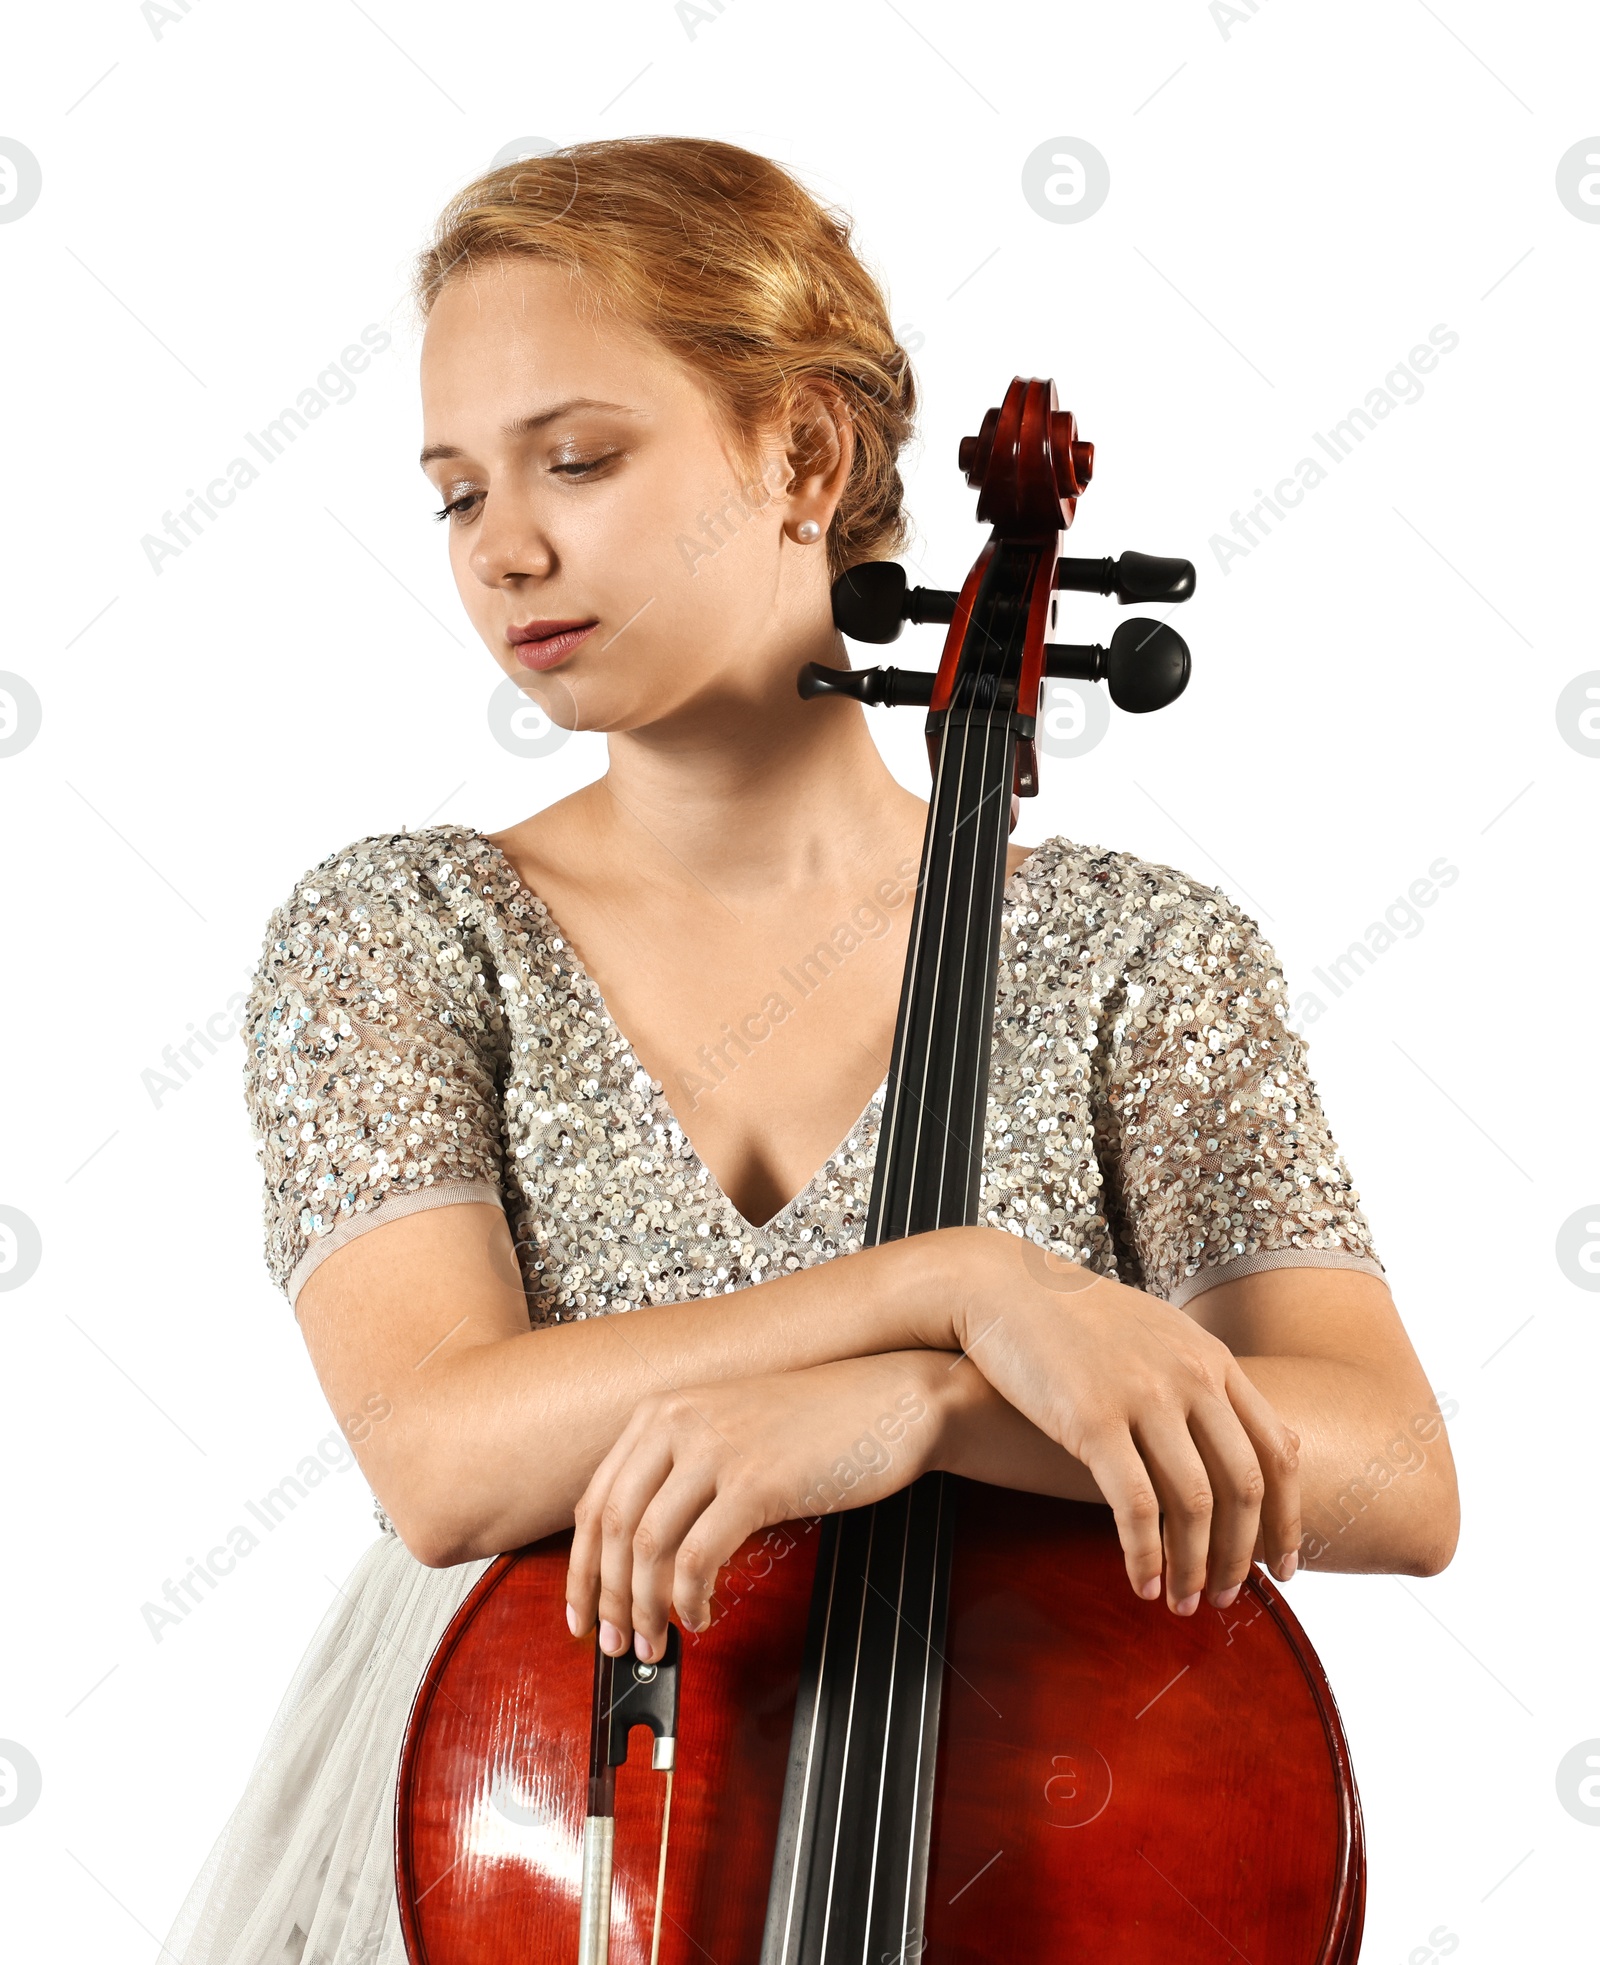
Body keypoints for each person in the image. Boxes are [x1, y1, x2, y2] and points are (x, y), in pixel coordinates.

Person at [160, 135, 1458, 1964]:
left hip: (1024, 1845)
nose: (506, 547)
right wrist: (958, 1282)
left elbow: (1392, 1467)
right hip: (549, 1842)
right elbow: (441, 1455)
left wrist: (925, 1406)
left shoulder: (1142, 960)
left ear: (806, 456)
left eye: (581, 459)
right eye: (455, 493)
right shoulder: (399, 931)